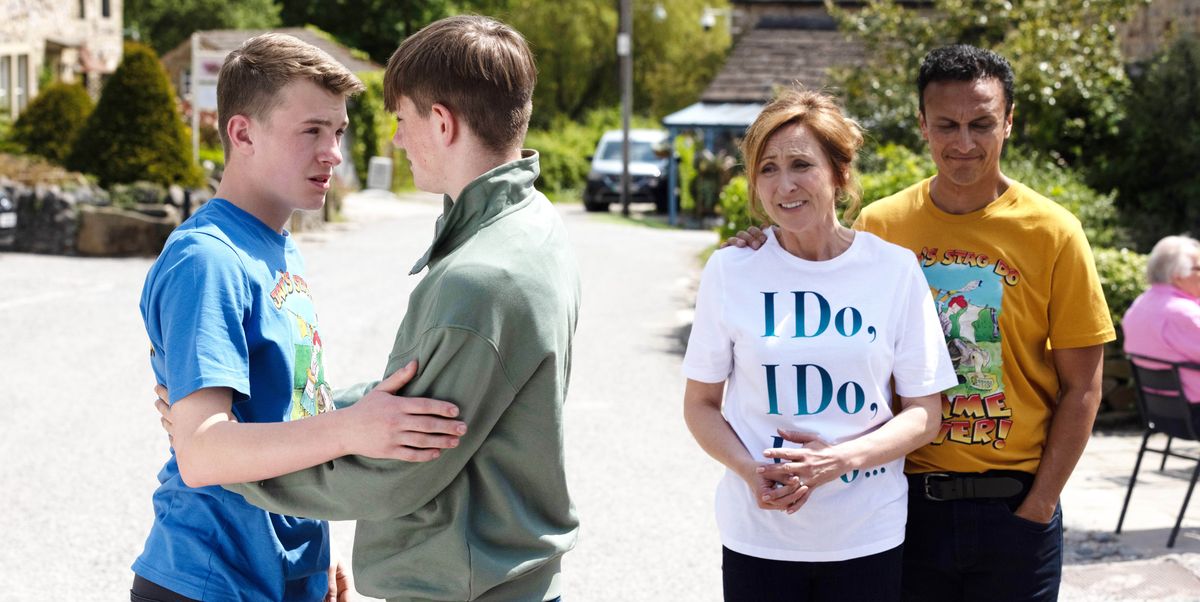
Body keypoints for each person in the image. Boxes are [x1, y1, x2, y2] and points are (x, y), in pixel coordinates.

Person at [726, 45, 1115, 601]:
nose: (963, 142)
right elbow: (814, 265)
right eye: (947, 125)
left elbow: (1084, 386)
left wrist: (1041, 503)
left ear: (1008, 122)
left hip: (1015, 508)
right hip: (906, 505)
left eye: (981, 123)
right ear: (922, 127)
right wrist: (760, 245)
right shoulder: (883, 225)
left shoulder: (1054, 232)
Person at [214, 16, 580, 602]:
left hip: (464, 587)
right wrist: (323, 422)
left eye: (402, 119)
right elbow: (404, 400)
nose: (397, 139)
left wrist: (230, 465)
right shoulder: (531, 223)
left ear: (441, 122)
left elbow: (394, 471)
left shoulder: (481, 277)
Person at [133, 34, 467, 602]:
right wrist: (357, 429)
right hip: (211, 580)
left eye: (337, 132)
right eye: (311, 130)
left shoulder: (277, 243)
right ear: (242, 134)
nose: (333, 152)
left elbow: (290, 408)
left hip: (287, 575)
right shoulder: (208, 259)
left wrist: (317, 553)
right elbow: (203, 452)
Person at [682, 88, 957, 602]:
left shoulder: (893, 270)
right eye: (767, 168)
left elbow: (925, 413)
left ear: (839, 173)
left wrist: (838, 461)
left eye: (801, 164)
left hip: (866, 535)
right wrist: (750, 471)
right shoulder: (732, 269)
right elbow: (699, 405)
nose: (783, 184)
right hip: (759, 539)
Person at [1123, 235, 1200, 411]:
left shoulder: (1140, 304)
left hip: (1161, 410)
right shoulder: (1182, 314)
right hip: (1192, 412)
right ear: (1178, 275)